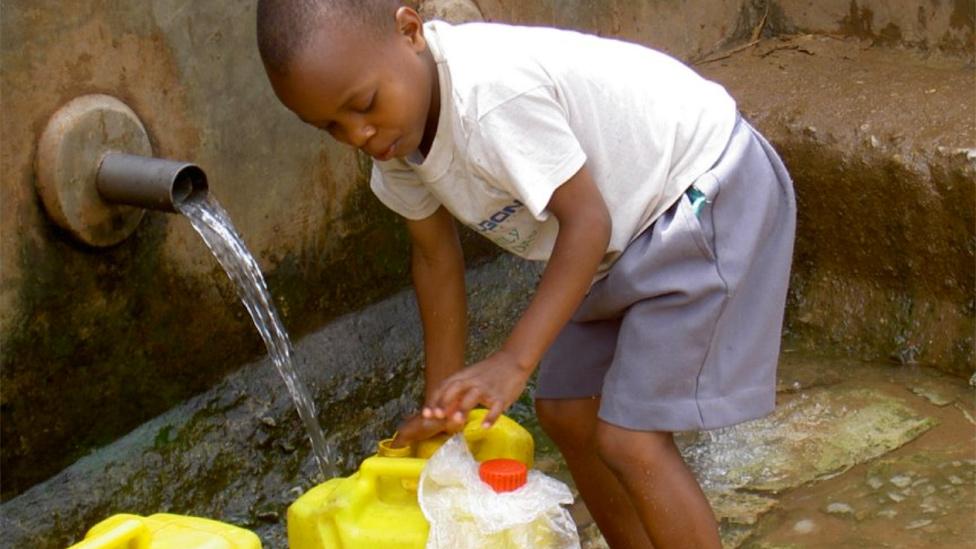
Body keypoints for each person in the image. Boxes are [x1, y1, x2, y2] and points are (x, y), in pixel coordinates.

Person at [256, 1, 796, 547]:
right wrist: (442, 410)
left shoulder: (489, 96)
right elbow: (435, 259)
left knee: (630, 439)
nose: (360, 135)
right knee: (566, 411)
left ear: (409, 31)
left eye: (365, 105)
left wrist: (514, 360)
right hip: (625, 235)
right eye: (331, 127)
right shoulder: (396, 143)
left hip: (700, 191)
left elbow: (586, 221)